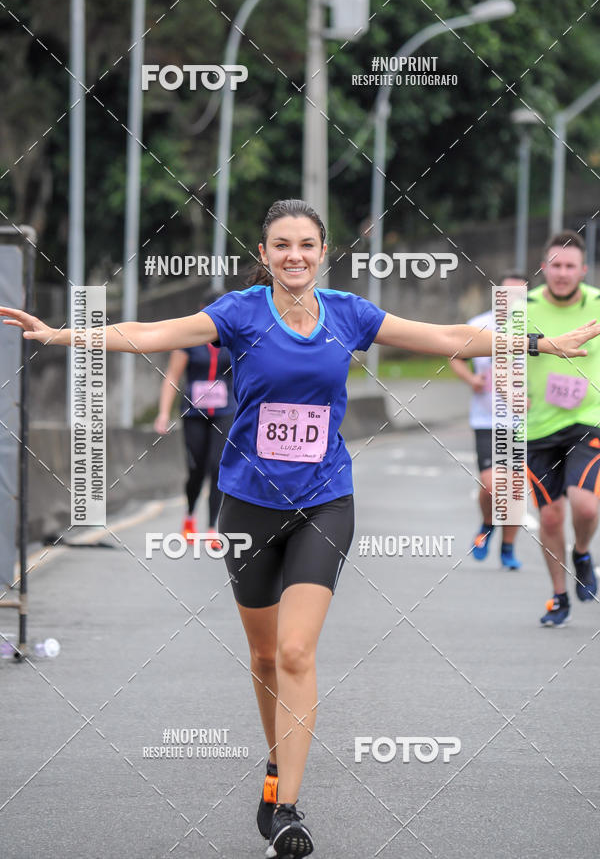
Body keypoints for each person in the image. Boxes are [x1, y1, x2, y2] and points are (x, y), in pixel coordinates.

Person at [2, 201, 597, 858]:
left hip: (325, 500)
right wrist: (64, 335)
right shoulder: (239, 313)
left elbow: (447, 336)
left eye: (306, 244)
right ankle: (274, 767)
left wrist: (538, 343)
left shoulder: (349, 314)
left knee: (294, 653)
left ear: (323, 250)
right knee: (262, 656)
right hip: (248, 504)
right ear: (265, 253)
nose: (294, 255)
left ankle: (286, 805)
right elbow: (153, 332)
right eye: (281, 244)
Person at [526, 230, 600, 627]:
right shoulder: (524, 306)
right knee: (551, 517)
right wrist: (508, 390)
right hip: (538, 426)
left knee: (585, 503)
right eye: (556, 265)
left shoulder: (598, 305)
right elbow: (502, 357)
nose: (562, 272)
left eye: (570, 266)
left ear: (583, 270)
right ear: (544, 267)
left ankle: (583, 552)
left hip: (586, 419)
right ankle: (559, 596)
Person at [449, 271, 528, 570]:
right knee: (492, 486)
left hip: (522, 422)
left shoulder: (533, 328)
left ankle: (508, 548)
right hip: (487, 419)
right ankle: (486, 523)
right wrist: (471, 379)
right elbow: (454, 354)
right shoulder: (479, 325)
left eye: (519, 296)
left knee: (515, 489)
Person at [154, 333, 235, 543]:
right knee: (196, 468)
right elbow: (172, 376)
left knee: (217, 465)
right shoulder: (190, 340)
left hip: (225, 413)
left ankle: (212, 528)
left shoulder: (235, 338)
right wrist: (164, 413)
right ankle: (190, 516)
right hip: (194, 413)